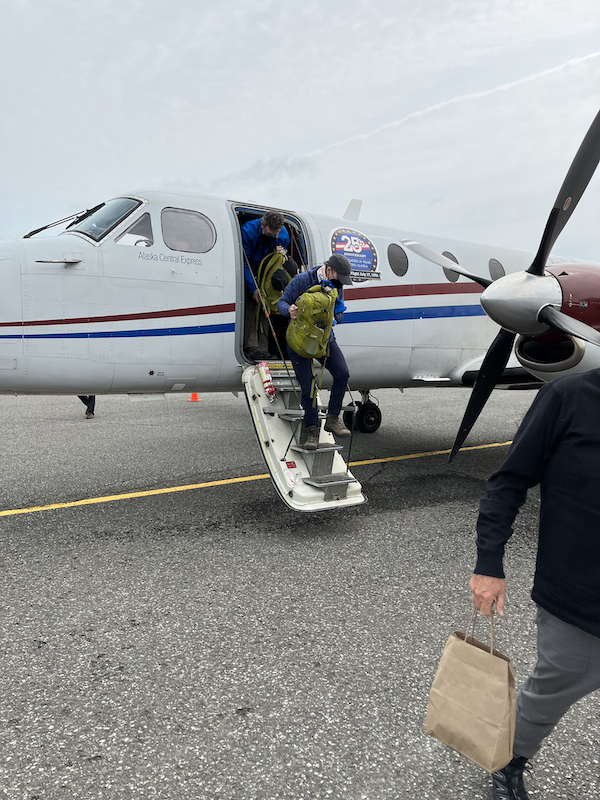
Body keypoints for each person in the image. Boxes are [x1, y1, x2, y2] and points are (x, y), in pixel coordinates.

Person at [469, 369, 600, 800]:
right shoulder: (568, 397)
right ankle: (510, 760)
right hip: (581, 597)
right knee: (549, 693)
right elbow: (508, 480)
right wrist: (489, 565)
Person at [277, 253, 352, 450]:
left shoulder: (337, 285)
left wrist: (336, 317)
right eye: (339, 277)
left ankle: (333, 418)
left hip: (324, 339)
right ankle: (312, 430)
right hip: (300, 341)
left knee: (342, 373)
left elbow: (340, 312)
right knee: (308, 385)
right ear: (329, 270)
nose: (341, 283)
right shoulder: (303, 280)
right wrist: (289, 310)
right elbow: (281, 302)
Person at [241, 211, 291, 361]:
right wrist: (253, 287)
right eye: (269, 234)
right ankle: (250, 346)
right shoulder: (248, 231)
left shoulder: (283, 236)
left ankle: (263, 348)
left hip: (268, 272)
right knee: (251, 307)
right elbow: (244, 261)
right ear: (262, 225)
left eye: (275, 235)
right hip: (251, 268)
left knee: (265, 307)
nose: (273, 237)